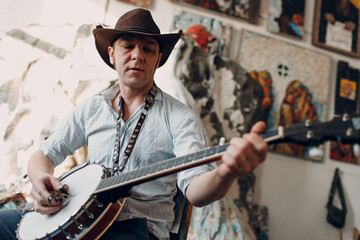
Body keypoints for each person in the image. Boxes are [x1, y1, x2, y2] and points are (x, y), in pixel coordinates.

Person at [0, 8, 267, 240]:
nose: (138, 55)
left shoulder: (180, 118)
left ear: (158, 59)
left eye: (148, 49)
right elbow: (44, 155)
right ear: (112, 53)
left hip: (140, 230)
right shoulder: (91, 107)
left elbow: (196, 191)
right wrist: (40, 180)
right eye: (128, 46)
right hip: (78, 217)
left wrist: (226, 172)